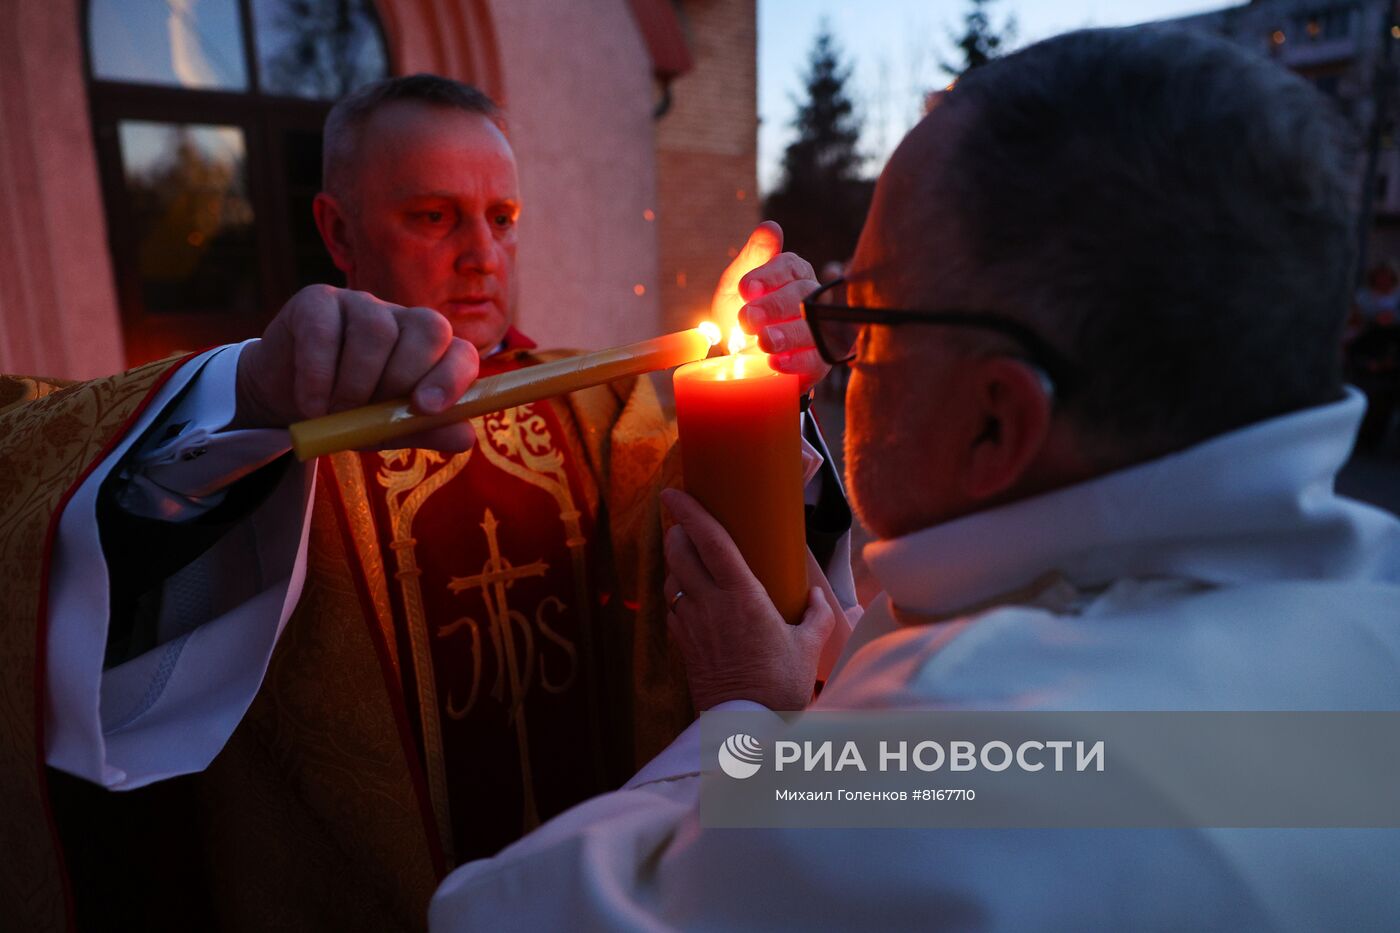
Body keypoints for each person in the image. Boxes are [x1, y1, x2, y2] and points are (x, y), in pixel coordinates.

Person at [429, 28, 1400, 931]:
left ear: (995, 420)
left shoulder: (953, 794)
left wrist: (750, 720)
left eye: (864, 312)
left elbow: (497, 912)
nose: (835, 355)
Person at [0, 76, 853, 930]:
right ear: (338, 230)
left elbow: (715, 579)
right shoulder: (267, 421)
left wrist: (778, 415)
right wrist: (245, 409)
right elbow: (87, 549)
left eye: (503, 218)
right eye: (434, 216)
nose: (482, 252)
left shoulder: (603, 408)